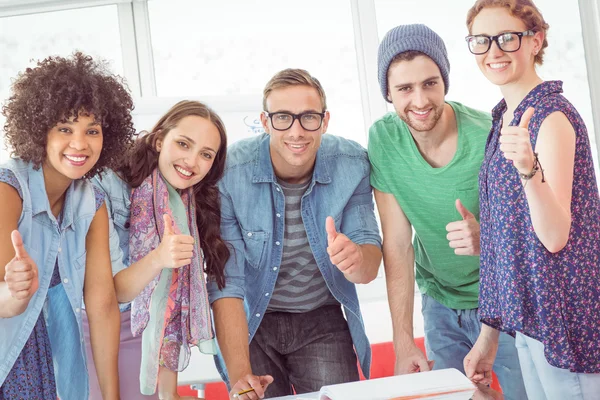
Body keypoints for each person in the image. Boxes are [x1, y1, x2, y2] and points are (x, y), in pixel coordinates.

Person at [368, 24, 526, 400]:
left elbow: (533, 233)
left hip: (503, 300)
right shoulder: (384, 139)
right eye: (405, 88)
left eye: (430, 83)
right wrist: (404, 341)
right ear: (388, 93)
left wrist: (486, 238)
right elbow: (398, 245)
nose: (420, 100)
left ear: (445, 82)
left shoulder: (489, 133)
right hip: (439, 303)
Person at [208, 68, 382, 399]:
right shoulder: (230, 172)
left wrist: (356, 258)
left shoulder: (352, 162)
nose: (297, 131)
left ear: (325, 120)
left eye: (309, 117)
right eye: (283, 118)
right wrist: (240, 372)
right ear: (265, 120)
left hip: (321, 320)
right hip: (251, 324)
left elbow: (369, 263)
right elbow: (226, 280)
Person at [464, 0, 600, 398]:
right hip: (530, 320)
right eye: (481, 40)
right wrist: (489, 337)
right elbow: (504, 244)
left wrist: (528, 169)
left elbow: (555, 235)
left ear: (535, 40)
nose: (494, 51)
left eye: (507, 37)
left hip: (564, 323)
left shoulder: (551, 116)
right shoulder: (503, 119)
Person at [0, 52, 135, 400]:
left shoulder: (93, 203)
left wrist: (111, 397)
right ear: (38, 129)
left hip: (49, 363)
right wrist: (14, 292)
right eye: (64, 128)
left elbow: (103, 305)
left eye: (92, 130)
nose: (80, 143)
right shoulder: (7, 190)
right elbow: (2, 299)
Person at [84, 100, 229, 400]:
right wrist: (159, 258)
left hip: (149, 334)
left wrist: (169, 391)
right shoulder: (107, 184)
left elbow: (170, 305)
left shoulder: (189, 200)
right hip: (98, 324)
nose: (191, 161)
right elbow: (113, 293)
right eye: (183, 144)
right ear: (160, 139)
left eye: (205, 154)